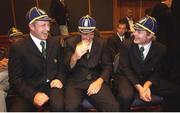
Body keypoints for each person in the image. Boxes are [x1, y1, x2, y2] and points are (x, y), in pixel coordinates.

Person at [113, 16, 180, 111]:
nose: (134, 33)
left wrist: (147, 85)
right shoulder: (126, 45)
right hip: (126, 77)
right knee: (126, 97)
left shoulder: (161, 49)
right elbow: (125, 68)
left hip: (147, 78)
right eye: (135, 30)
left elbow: (158, 70)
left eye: (139, 32)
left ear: (150, 36)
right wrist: (140, 89)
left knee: (176, 90)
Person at [6, 7, 65, 111]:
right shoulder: (18, 48)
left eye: (48, 25)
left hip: (52, 87)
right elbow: (15, 80)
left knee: (59, 106)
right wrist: (33, 95)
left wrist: (59, 78)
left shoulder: (55, 42)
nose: (48, 29)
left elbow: (62, 67)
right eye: (43, 25)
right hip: (28, 90)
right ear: (31, 26)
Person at [64, 15, 119, 111]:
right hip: (75, 82)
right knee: (70, 108)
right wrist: (75, 56)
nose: (88, 38)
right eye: (85, 34)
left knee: (113, 108)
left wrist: (99, 81)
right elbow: (66, 67)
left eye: (91, 34)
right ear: (79, 32)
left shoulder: (102, 43)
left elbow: (108, 66)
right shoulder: (70, 43)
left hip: (95, 80)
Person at [0, 27, 24, 112]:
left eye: (19, 36)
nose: (18, 39)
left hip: (17, 77)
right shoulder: (7, 52)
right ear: (10, 39)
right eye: (15, 37)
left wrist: (10, 64)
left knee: (9, 70)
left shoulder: (26, 49)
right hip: (5, 80)